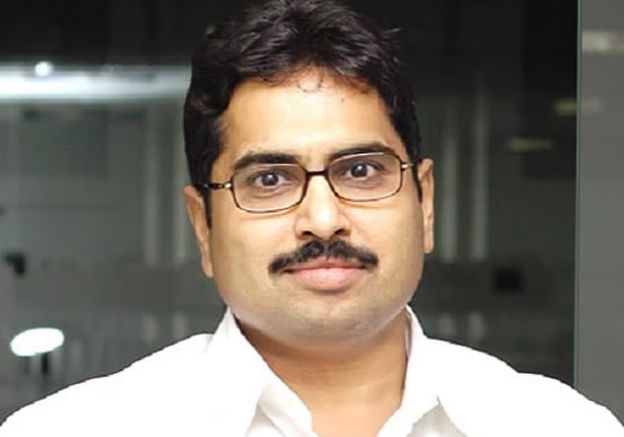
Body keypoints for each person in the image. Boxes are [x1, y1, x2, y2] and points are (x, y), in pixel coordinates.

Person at [1, 0, 623, 436]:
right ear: (203, 226)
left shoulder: (558, 427)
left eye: (361, 170)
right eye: (269, 179)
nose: (323, 220)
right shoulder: (73, 430)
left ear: (425, 203)